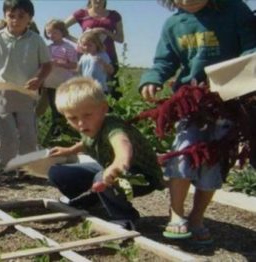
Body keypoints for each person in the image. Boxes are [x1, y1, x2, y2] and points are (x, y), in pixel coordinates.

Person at [139, 0, 256, 244]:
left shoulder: (235, 11)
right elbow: (164, 61)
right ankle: (176, 213)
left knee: (212, 161)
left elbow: (251, 48)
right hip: (191, 103)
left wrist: (241, 74)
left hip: (229, 102)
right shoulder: (174, 24)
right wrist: (152, 78)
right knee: (183, 153)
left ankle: (196, 217)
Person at [48, 77, 163, 227]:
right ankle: (92, 201)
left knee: (101, 177)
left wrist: (117, 165)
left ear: (103, 108)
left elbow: (123, 145)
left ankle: (126, 217)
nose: (81, 123)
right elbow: (87, 142)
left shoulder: (112, 127)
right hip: (110, 169)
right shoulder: (90, 126)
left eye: (87, 115)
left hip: (141, 176)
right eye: (73, 118)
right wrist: (69, 150)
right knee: (58, 173)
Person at [0, 0, 51, 171]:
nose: (15, 20)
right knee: (7, 131)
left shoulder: (36, 40)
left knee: (28, 131)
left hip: (26, 91)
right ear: (5, 16)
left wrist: (38, 79)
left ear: (30, 18)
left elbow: (47, 65)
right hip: (1, 91)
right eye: (11, 16)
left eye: (21, 16)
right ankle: (7, 164)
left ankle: (29, 166)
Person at [65, 0, 124, 99]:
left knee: (112, 88)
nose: (98, 0)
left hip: (108, 55)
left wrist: (104, 31)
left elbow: (120, 39)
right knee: (85, 88)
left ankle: (111, 113)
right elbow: (61, 28)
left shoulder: (114, 15)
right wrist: (78, 41)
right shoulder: (82, 13)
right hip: (86, 56)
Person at [43, 19, 78, 136]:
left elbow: (74, 65)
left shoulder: (68, 47)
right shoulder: (47, 48)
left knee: (64, 107)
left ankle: (67, 130)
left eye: (55, 32)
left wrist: (59, 63)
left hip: (64, 83)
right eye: (49, 33)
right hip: (50, 82)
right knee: (54, 108)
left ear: (62, 32)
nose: (51, 35)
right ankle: (57, 131)